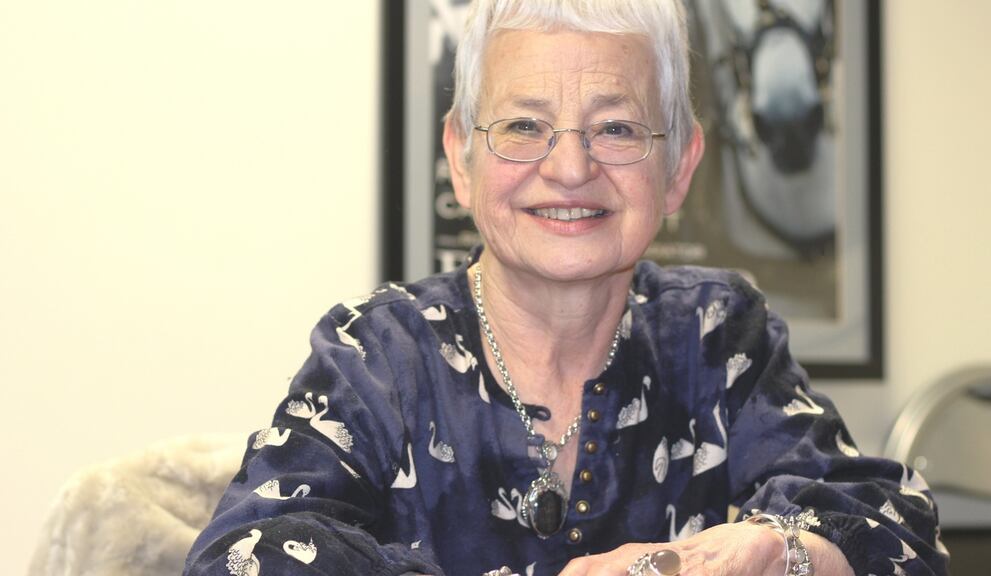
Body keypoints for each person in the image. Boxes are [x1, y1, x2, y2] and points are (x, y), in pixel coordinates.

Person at [184, 1, 947, 574]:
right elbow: (243, 555)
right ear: (461, 156)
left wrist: (787, 551)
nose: (571, 168)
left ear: (678, 166)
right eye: (523, 126)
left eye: (616, 128)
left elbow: (899, 530)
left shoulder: (719, 337)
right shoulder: (375, 354)